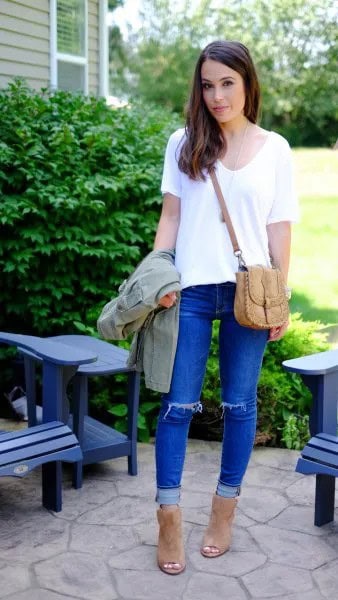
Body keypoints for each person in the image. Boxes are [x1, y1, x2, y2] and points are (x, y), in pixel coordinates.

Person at [153, 40, 298, 575]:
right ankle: (168, 516)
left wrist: (279, 291)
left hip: (250, 293)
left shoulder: (275, 148)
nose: (217, 95)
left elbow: (278, 228)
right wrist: (158, 274)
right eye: (208, 85)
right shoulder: (183, 143)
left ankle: (223, 511)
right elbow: (170, 217)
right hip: (189, 291)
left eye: (227, 83)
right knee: (178, 406)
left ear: (247, 83)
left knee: (240, 406)